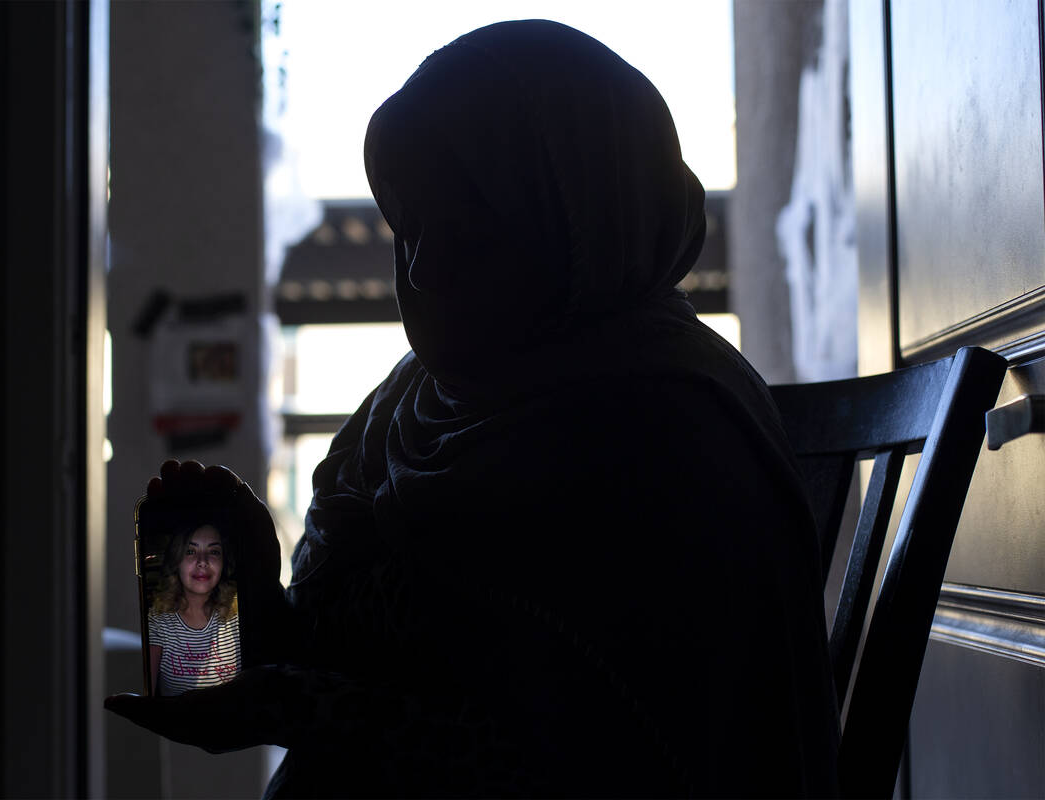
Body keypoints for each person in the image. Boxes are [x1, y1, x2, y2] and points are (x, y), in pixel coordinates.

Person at [108, 19, 840, 797]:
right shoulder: (414, 405)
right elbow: (401, 665)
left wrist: (298, 704)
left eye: (456, 226)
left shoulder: (663, 439)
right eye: (406, 227)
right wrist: (266, 616)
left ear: (572, 221)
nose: (418, 263)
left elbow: (598, 763)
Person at [147, 522, 241, 696]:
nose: (202, 562)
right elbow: (147, 700)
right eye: (190, 551)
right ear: (176, 561)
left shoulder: (239, 614)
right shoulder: (157, 620)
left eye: (213, 552)